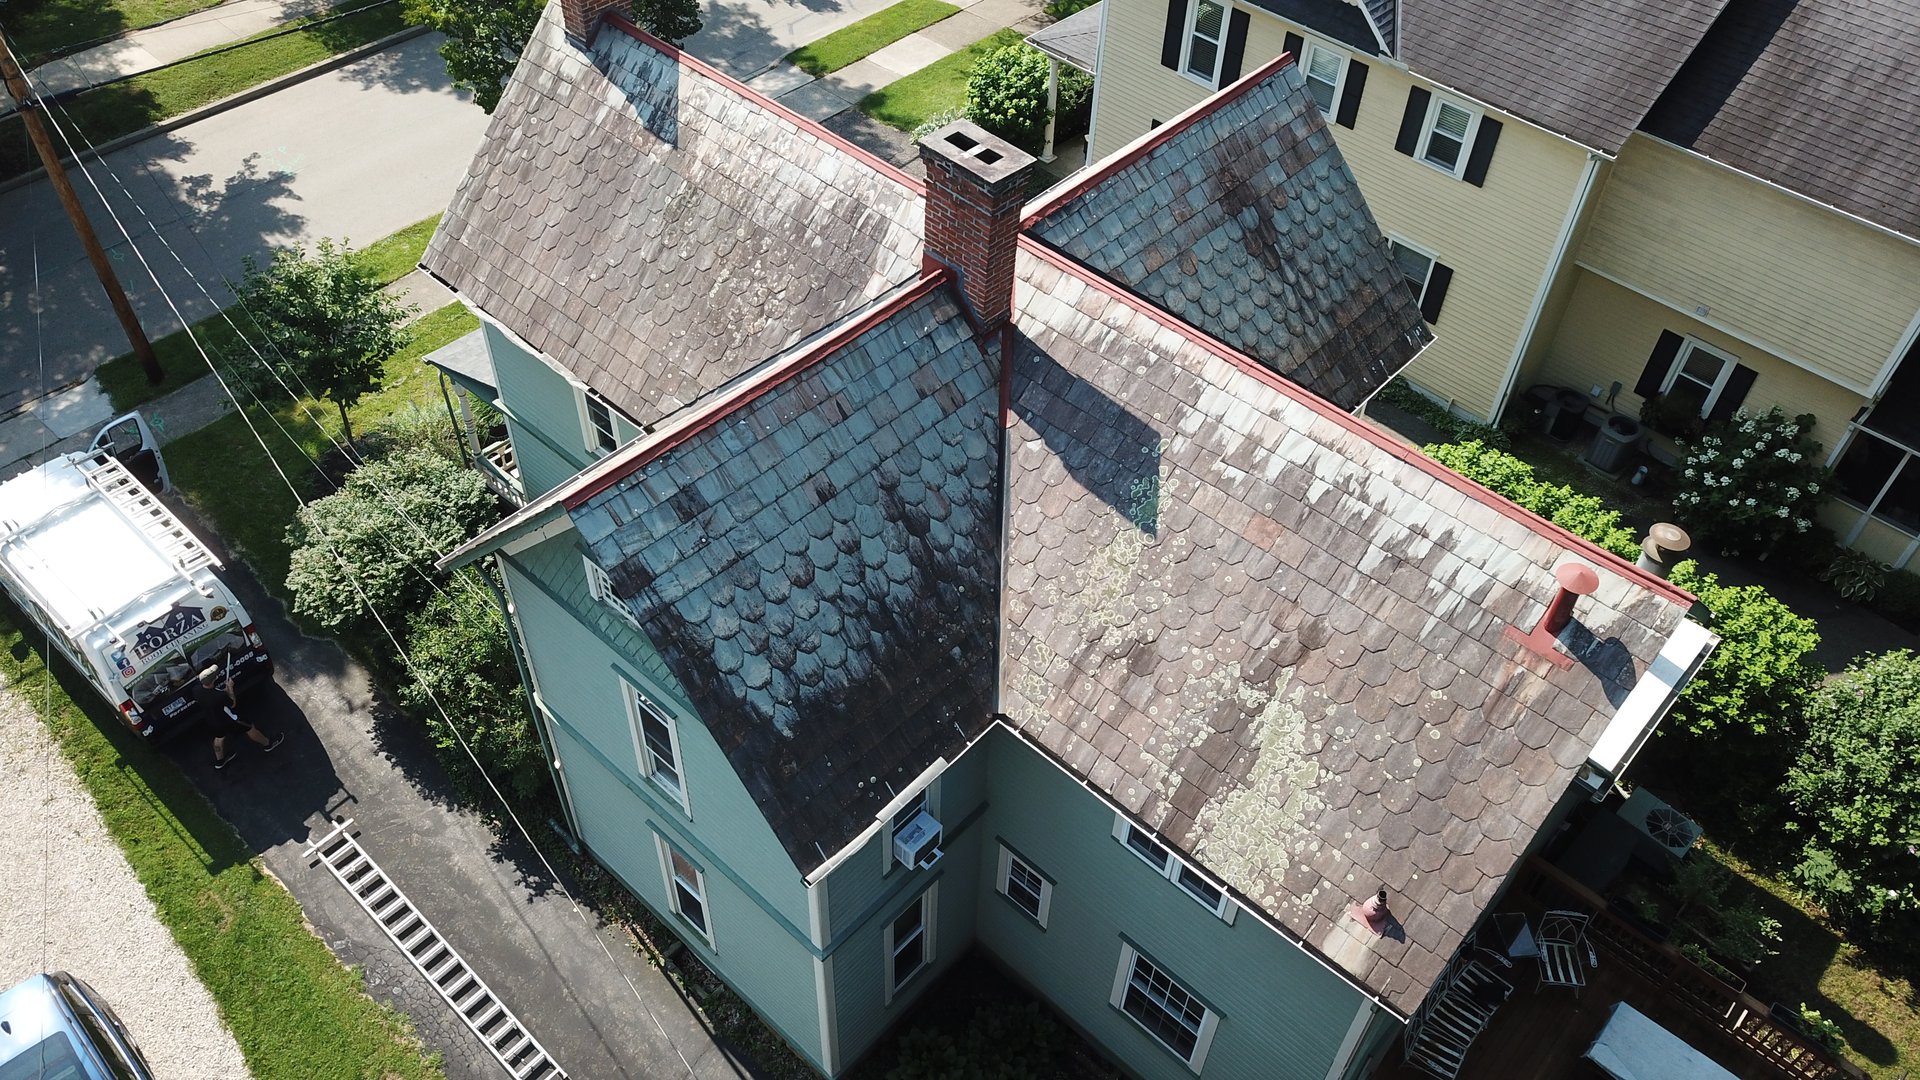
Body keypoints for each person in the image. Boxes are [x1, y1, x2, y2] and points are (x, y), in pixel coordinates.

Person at [197, 664, 284, 768]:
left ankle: (219, 761)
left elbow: (213, 696)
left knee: (219, 738)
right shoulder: (219, 696)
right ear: (213, 680)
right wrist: (230, 688)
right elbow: (232, 703)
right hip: (231, 719)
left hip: (213, 720)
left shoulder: (197, 690)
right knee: (250, 728)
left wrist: (223, 692)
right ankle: (268, 744)